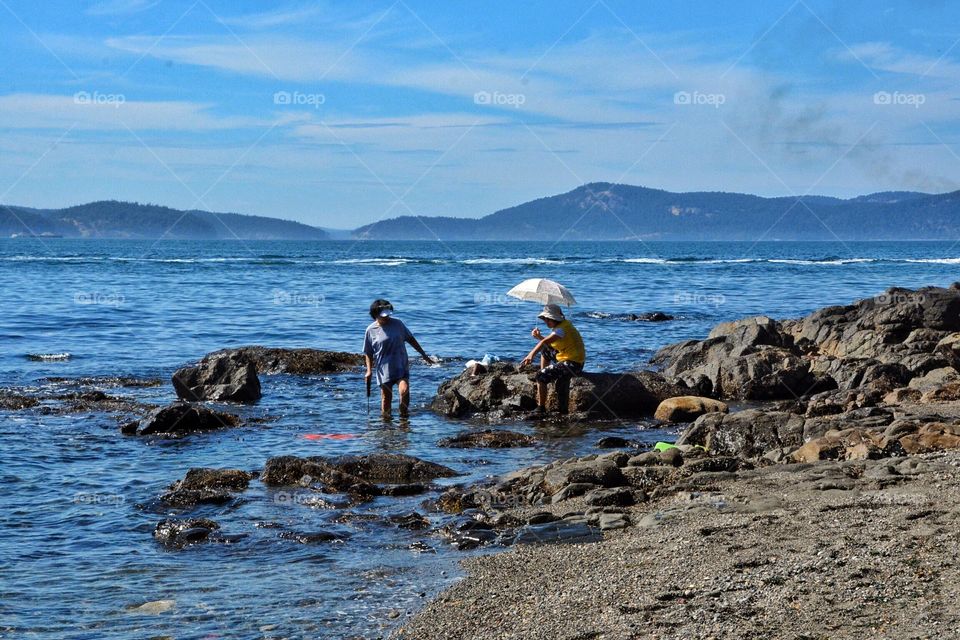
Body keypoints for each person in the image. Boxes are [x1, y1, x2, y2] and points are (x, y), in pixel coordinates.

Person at [363, 299, 434, 418]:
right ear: (375, 315)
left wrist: (423, 355)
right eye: (383, 316)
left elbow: (411, 339)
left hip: (400, 365)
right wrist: (369, 371)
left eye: (388, 315)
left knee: (404, 390)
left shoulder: (398, 324)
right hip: (384, 368)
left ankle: (404, 419)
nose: (386, 318)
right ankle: (386, 424)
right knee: (386, 398)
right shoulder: (370, 330)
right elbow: (368, 352)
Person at [520, 303, 586, 415]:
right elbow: (550, 344)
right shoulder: (562, 326)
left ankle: (541, 407)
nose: (546, 322)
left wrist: (531, 355)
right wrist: (539, 337)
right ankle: (545, 376)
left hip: (573, 363)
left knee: (540, 376)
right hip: (567, 358)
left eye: (547, 320)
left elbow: (545, 342)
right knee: (545, 350)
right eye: (544, 320)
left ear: (553, 319)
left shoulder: (561, 330)